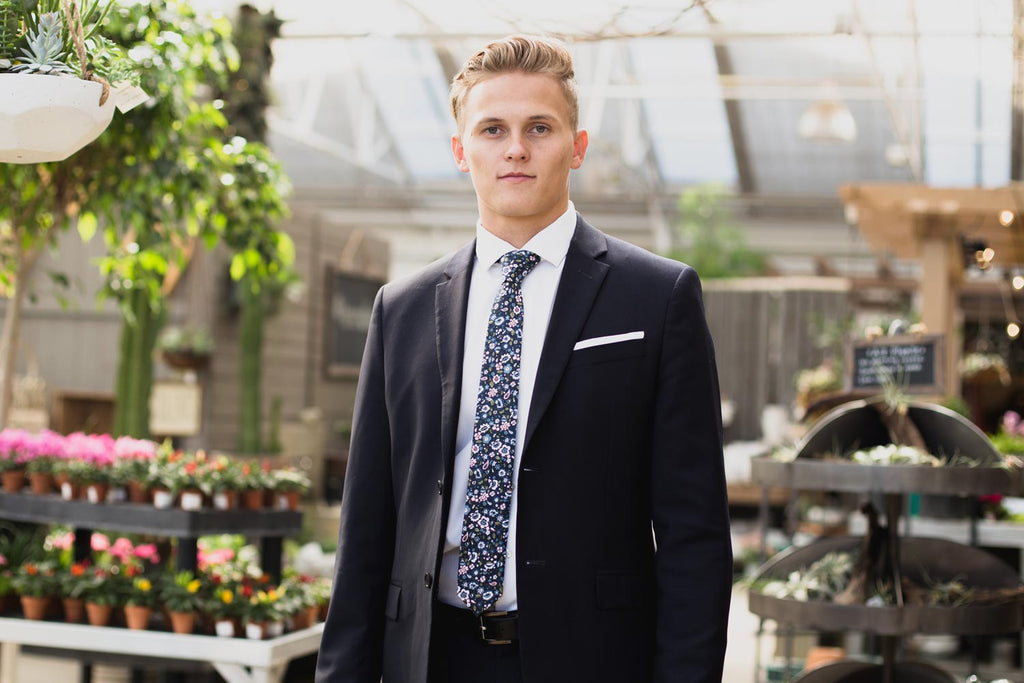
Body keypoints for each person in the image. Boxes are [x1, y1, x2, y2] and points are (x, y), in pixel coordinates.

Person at [315, 34, 732, 683]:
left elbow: (694, 534)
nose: (515, 147)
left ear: (578, 146)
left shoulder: (657, 297)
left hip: (591, 658)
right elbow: (365, 527)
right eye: (492, 129)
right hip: (428, 656)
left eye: (539, 126)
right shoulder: (401, 309)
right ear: (460, 151)